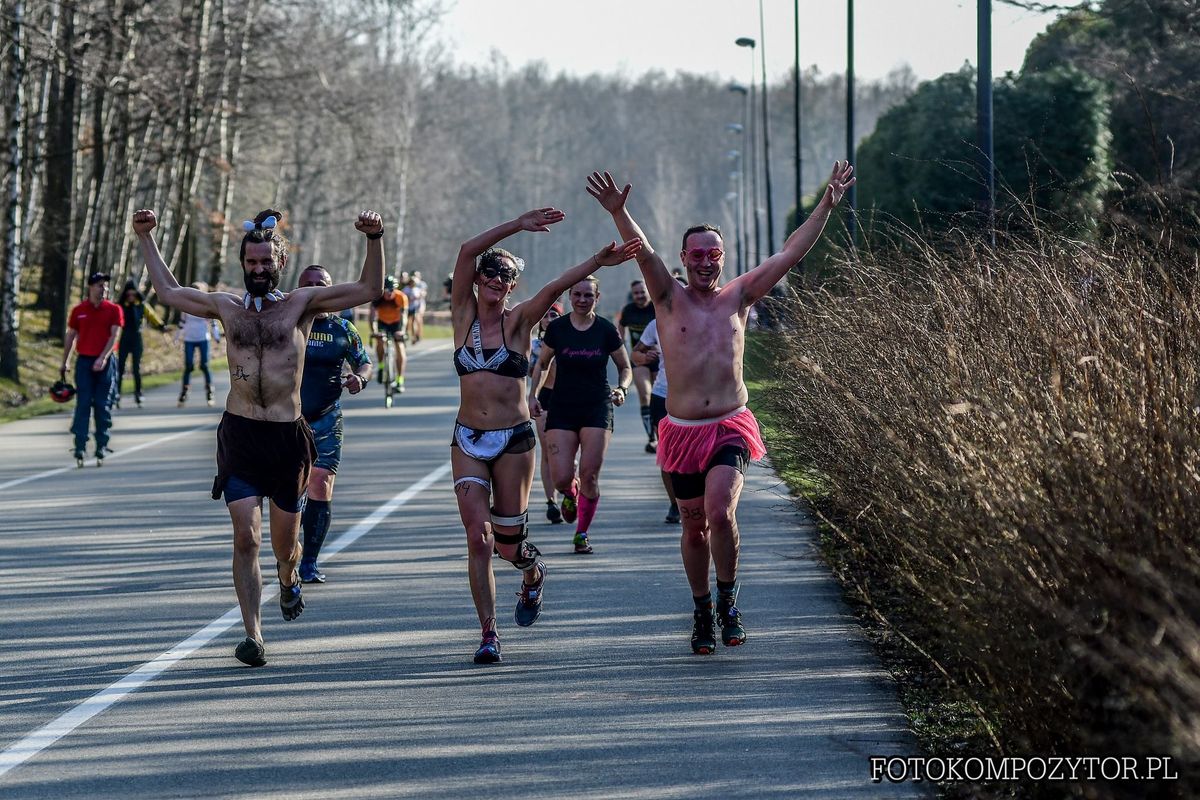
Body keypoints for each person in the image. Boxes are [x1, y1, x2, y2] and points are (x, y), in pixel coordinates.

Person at [586, 162, 855, 654]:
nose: (706, 263)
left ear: (723, 258)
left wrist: (825, 207)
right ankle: (702, 609)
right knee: (692, 527)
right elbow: (643, 253)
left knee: (719, 510)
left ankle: (730, 600)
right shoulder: (667, 298)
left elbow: (790, 253)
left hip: (729, 424)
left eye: (714, 254)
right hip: (682, 430)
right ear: (684, 259)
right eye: (698, 255)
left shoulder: (740, 296)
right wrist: (620, 213)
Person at [133, 206, 385, 668]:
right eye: (251, 263)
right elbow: (168, 291)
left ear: (279, 263)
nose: (258, 270)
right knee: (245, 538)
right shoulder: (225, 307)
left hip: (287, 439)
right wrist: (145, 236)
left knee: (284, 548)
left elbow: (370, 289)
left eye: (266, 262)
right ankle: (253, 635)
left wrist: (375, 238)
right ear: (242, 263)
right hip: (241, 433)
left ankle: (288, 579)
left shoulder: (301, 305)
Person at [451, 206, 641, 664]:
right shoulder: (462, 316)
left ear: (513, 286)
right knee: (478, 538)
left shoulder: (519, 322)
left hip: (514, 439)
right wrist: (515, 224)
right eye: (491, 274)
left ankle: (532, 573)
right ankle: (489, 634)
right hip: (468, 440)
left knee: (508, 546)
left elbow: (557, 285)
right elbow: (466, 250)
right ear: (479, 280)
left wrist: (598, 261)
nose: (498, 281)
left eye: (507, 277)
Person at [528, 275, 633, 555]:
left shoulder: (606, 330)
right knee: (562, 477)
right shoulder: (558, 329)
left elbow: (625, 367)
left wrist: (622, 388)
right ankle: (570, 494)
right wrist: (533, 395)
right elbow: (542, 363)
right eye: (577, 295)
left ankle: (582, 533)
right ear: (570, 297)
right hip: (562, 406)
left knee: (590, 474)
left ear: (597, 298)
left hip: (597, 406)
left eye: (588, 295)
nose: (582, 300)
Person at [297, 264, 374, 584]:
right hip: (287, 419)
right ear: (298, 289)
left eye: (323, 284)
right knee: (288, 491)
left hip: (327, 417)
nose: (316, 289)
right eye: (309, 284)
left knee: (320, 483)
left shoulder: (344, 329)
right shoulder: (287, 321)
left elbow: (364, 362)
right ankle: (287, 551)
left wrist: (360, 379)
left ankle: (309, 562)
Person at [61, 272, 123, 467]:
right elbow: (71, 336)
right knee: (83, 404)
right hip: (85, 362)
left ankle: (101, 445)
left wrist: (103, 358)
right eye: (99, 285)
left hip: (105, 362)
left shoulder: (113, 309)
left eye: (105, 286)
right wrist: (65, 362)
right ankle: (80, 445)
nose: (103, 289)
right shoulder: (79, 310)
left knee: (103, 405)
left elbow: (114, 336)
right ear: (90, 287)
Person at [631, 318, 678, 523]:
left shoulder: (704, 316)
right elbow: (635, 353)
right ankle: (675, 504)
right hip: (663, 395)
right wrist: (644, 355)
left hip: (697, 396)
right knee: (668, 454)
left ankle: (698, 500)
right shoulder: (656, 324)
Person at [529, 302, 565, 523]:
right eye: (546, 315)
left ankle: (569, 489)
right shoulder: (534, 345)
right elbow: (528, 369)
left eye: (555, 314)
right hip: (544, 399)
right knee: (548, 452)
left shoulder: (569, 340)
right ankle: (551, 502)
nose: (550, 318)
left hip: (567, 399)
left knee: (567, 455)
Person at [615, 279, 657, 452]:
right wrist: (622, 351)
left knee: (659, 396)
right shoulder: (628, 311)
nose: (639, 296)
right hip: (639, 359)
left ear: (648, 291)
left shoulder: (656, 307)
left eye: (642, 292)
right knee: (645, 394)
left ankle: (663, 434)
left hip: (659, 358)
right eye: (636, 293)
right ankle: (651, 439)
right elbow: (620, 332)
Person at [116, 280, 162, 409]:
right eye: (128, 293)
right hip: (125, 338)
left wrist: (161, 326)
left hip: (137, 338)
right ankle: (117, 393)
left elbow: (152, 316)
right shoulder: (121, 306)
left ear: (136, 293)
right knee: (120, 368)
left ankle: (138, 392)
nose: (131, 296)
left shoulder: (141, 305)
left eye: (133, 293)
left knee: (136, 368)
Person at [175, 282, 222, 407]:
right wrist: (177, 337)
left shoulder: (206, 306)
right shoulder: (185, 306)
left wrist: (216, 336)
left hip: (203, 338)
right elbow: (182, 323)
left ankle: (210, 391)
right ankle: (184, 392)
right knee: (189, 366)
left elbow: (213, 324)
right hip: (189, 338)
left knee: (204, 365)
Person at [370, 274, 408, 393]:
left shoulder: (401, 297)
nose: (388, 293)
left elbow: (404, 316)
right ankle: (381, 366)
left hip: (396, 324)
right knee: (380, 341)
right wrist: (374, 331)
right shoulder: (377, 297)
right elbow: (372, 316)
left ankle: (400, 380)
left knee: (400, 348)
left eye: (391, 290)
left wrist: (402, 330)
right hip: (382, 322)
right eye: (385, 290)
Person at [408, 270, 428, 342]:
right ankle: (414, 334)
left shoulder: (422, 284)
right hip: (412, 304)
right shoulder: (410, 283)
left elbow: (424, 293)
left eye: (416, 275)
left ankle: (418, 334)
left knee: (418, 318)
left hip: (420, 303)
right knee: (412, 319)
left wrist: (419, 295)